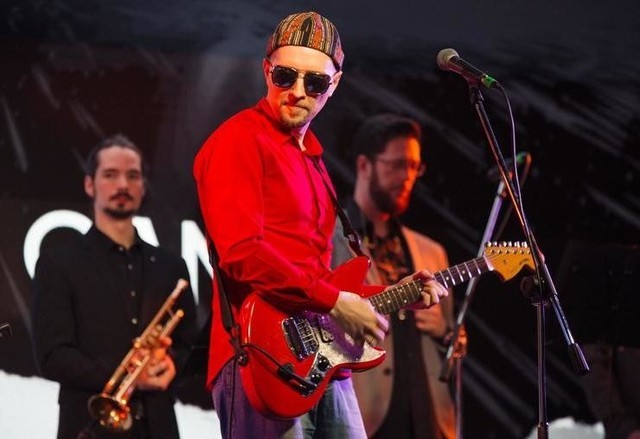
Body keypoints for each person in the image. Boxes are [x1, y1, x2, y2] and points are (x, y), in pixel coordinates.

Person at [192, 11, 449, 439]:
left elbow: (321, 282)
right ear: (266, 70)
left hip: (322, 363)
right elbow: (241, 253)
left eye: (314, 82)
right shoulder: (239, 139)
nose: (297, 92)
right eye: (285, 76)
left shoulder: (312, 158)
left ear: (335, 84)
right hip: (260, 358)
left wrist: (397, 294)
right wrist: (334, 302)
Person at [30, 135, 197, 439]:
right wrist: (131, 376)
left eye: (133, 176)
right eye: (110, 175)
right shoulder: (58, 263)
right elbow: (52, 357)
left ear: (143, 186)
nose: (122, 185)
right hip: (89, 427)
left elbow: (189, 345)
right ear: (89, 184)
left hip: (158, 427)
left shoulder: (171, 266)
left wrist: (172, 364)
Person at [332, 114, 456, 438]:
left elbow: (455, 345)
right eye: (398, 164)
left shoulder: (432, 252)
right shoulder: (331, 241)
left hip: (428, 416)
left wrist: (446, 332)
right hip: (365, 416)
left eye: (414, 166)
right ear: (364, 165)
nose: (407, 177)